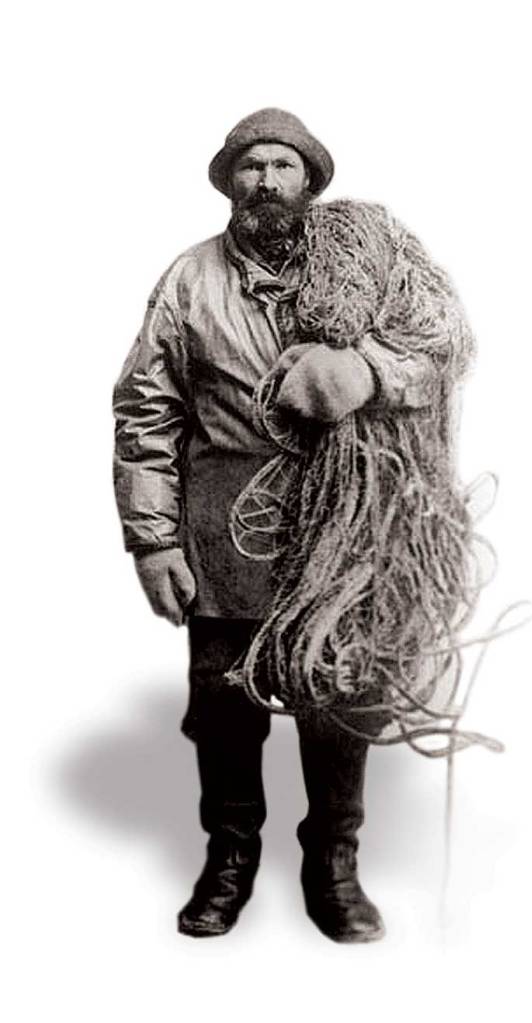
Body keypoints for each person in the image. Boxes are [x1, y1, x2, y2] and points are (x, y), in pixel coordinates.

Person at [113, 108, 449, 943]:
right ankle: (228, 859)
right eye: (251, 166)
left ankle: (332, 864)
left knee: (342, 695)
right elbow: (146, 412)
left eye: (282, 166)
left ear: (309, 181)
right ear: (229, 182)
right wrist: (153, 540)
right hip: (222, 535)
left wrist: (363, 370)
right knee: (224, 706)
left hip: (344, 531)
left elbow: (438, 350)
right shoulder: (189, 279)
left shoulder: (366, 261)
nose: (266, 180)